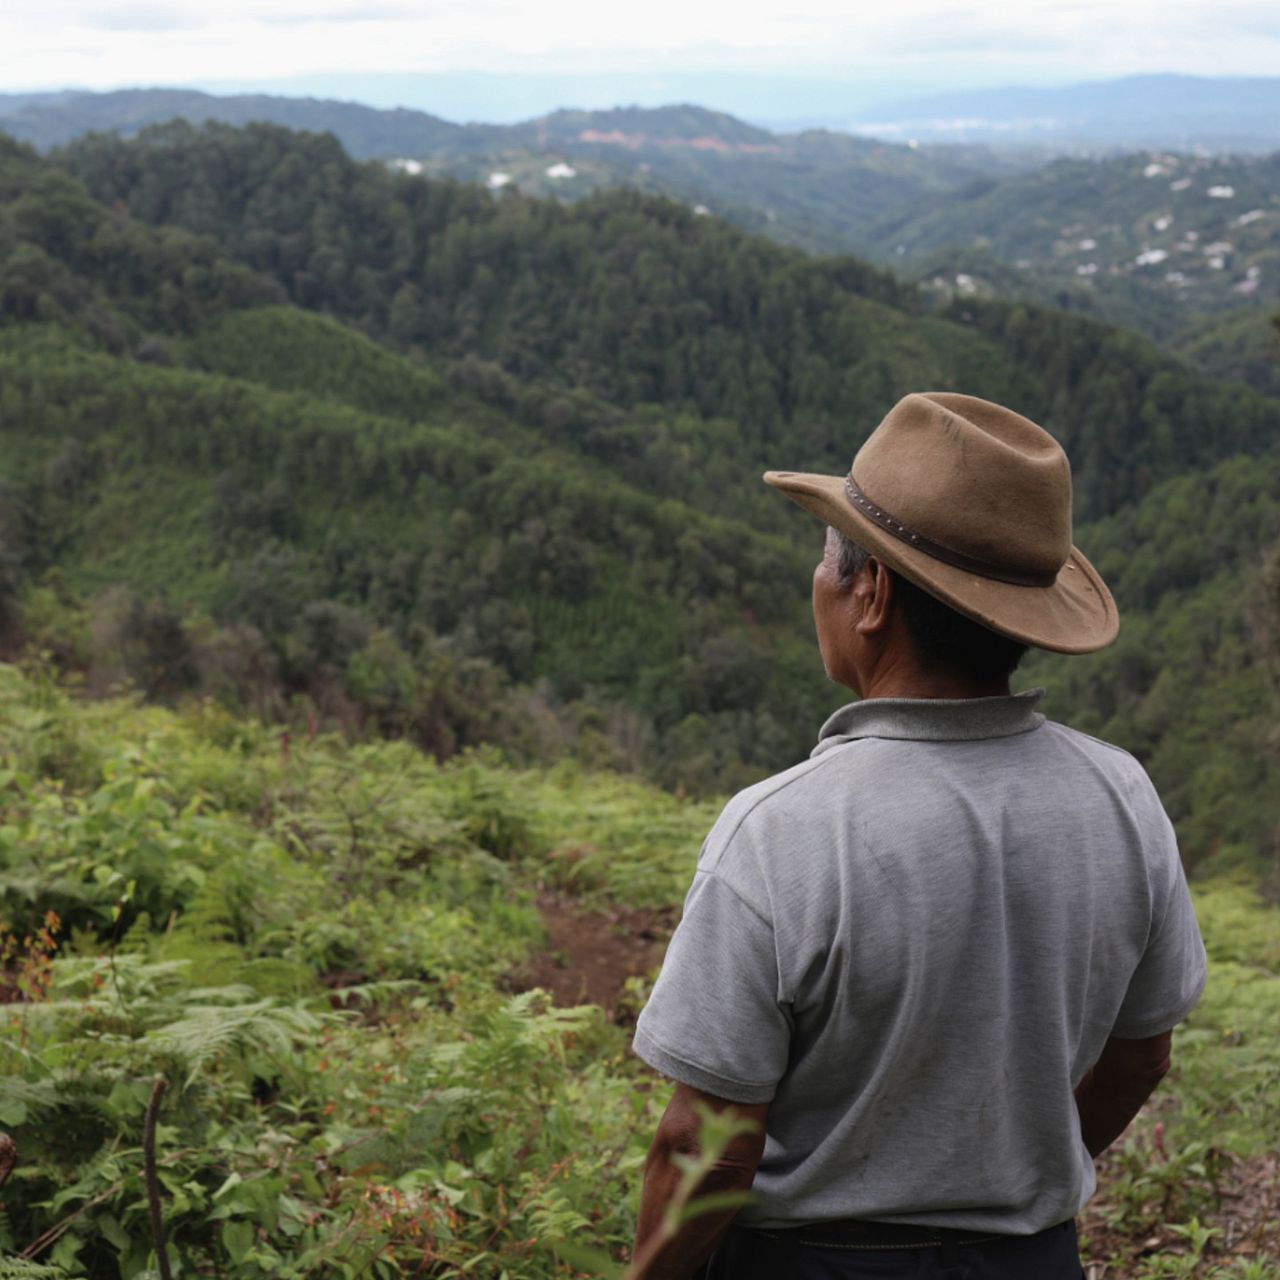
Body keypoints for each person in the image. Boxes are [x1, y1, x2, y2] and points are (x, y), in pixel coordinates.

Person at [630, 393, 1207, 1280]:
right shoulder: (1121, 796)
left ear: (871, 592)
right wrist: (1009, 1195)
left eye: (829, 564)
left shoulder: (782, 828)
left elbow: (707, 1144)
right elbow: (1142, 1054)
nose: (818, 584)